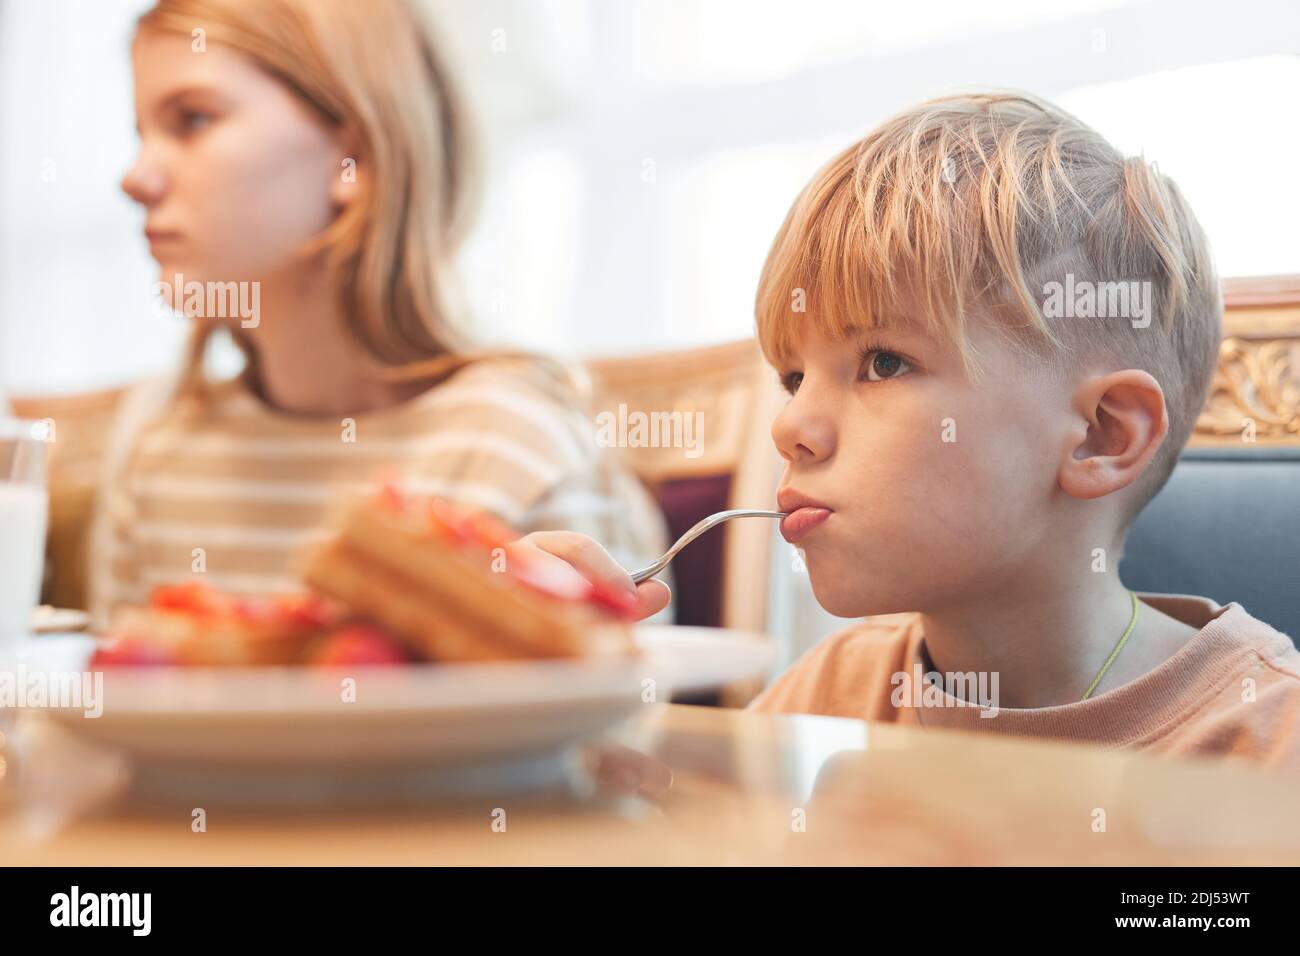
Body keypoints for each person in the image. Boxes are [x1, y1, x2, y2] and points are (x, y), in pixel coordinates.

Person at [516, 92, 1300, 766]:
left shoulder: (1265, 742)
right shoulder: (833, 691)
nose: (790, 425)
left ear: (1100, 436)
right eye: (793, 378)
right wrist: (538, 700)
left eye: (883, 362)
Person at [89, 0, 666, 625]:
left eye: (193, 119)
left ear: (354, 160)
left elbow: (628, 712)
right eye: (142, 134)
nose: (136, 177)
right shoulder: (156, 447)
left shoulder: (515, 445)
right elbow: (123, 703)